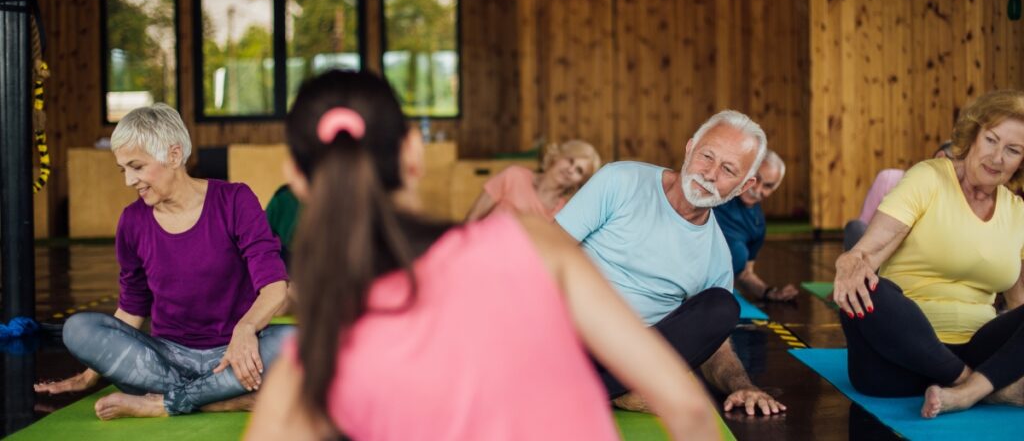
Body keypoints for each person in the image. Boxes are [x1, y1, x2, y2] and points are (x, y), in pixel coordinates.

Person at [245, 71, 720, 441]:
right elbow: (690, 409)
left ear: (298, 178)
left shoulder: (309, 369)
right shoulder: (535, 244)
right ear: (414, 153)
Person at [34, 103, 291, 419]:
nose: (129, 180)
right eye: (123, 169)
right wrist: (90, 375)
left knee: (302, 342)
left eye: (137, 167)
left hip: (236, 354)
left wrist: (245, 330)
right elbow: (132, 307)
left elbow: (274, 287)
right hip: (167, 358)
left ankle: (169, 401)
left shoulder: (235, 200)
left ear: (173, 155)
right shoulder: (132, 221)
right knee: (78, 329)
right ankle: (222, 398)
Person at [556, 110, 787, 417]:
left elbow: (712, 346)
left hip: (630, 356)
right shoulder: (620, 180)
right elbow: (547, 251)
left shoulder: (716, 255)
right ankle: (612, 389)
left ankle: (590, 389)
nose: (710, 173)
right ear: (690, 148)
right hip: (567, 334)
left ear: (744, 187)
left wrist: (742, 385)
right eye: (707, 156)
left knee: (723, 307)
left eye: (728, 169)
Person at [833, 89, 1024, 419]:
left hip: (979, 352)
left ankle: (971, 389)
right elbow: (870, 249)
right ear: (973, 135)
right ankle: (975, 389)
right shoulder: (928, 177)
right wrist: (852, 260)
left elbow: (1018, 303)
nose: (997, 158)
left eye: (1013, 150)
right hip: (896, 362)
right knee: (870, 287)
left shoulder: (1018, 211)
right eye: (991, 140)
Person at [714, 150, 798, 302]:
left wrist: (768, 292)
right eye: (755, 178)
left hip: (705, 295)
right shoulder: (712, 192)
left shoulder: (757, 225)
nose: (757, 189)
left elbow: (744, 274)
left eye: (768, 186)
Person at [843, 141, 954, 250]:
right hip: (879, 249)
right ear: (940, 158)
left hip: (915, 257)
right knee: (855, 228)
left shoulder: (952, 199)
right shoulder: (889, 179)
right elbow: (863, 226)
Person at [464, 140, 601, 222]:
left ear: (579, 182)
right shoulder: (513, 175)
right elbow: (472, 218)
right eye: (570, 160)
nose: (570, 170)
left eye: (579, 171)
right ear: (558, 156)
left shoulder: (563, 213)